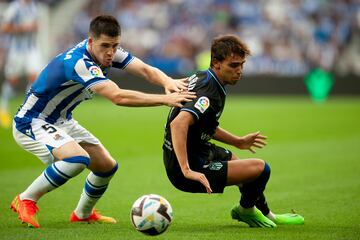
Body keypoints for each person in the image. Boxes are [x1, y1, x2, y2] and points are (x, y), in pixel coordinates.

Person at [10, 14, 195, 229]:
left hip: (61, 120)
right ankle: (26, 199)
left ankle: (82, 214)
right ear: (90, 42)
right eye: (105, 46)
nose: (110, 52)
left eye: (115, 46)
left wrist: (167, 81)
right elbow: (118, 96)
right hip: (31, 121)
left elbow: (144, 69)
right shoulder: (79, 62)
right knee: (77, 159)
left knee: (107, 166)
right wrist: (166, 99)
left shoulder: (110, 52)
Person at [162, 34, 304, 228]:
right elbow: (178, 124)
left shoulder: (204, 76)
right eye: (233, 65)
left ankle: (266, 213)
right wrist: (186, 170)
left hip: (197, 151)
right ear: (216, 63)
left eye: (242, 65)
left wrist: (237, 141)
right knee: (261, 169)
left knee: (241, 166)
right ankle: (245, 211)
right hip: (187, 167)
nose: (239, 71)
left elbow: (204, 124)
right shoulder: (209, 91)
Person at [0, 0, 42, 128]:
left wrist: (34, 27)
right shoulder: (15, 7)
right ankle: (3, 109)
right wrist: (21, 28)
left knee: (35, 79)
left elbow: (37, 25)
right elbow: (4, 28)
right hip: (16, 50)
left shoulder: (34, 6)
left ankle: (27, 112)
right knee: (12, 80)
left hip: (31, 49)